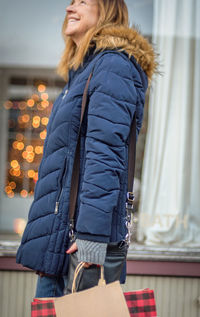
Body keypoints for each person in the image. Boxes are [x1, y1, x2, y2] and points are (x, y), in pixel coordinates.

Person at [16, 0, 157, 297]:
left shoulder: (112, 66)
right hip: (62, 243)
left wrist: (91, 238)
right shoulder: (84, 72)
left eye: (82, 1)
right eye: (70, 1)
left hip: (82, 248)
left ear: (105, 11)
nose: (69, 8)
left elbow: (105, 156)